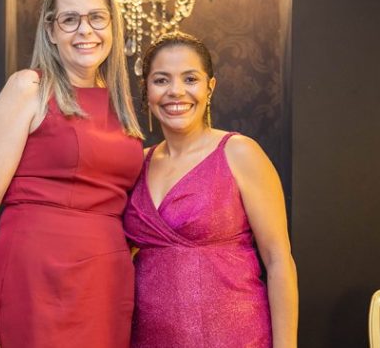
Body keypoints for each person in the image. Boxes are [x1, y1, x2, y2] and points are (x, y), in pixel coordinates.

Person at [0, 0, 144, 348]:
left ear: (112, 25)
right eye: (70, 19)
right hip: (36, 279)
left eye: (97, 18)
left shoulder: (121, 104)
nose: (85, 30)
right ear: (51, 30)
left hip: (107, 284)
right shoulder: (29, 88)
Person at [123, 32, 298, 348]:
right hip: (148, 339)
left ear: (210, 87)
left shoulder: (239, 152)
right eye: (161, 80)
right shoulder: (137, 163)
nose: (176, 91)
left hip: (235, 337)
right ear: (146, 90)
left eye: (190, 79)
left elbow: (278, 260)